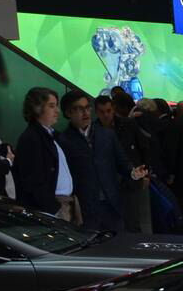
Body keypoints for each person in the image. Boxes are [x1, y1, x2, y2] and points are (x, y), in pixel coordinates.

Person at [56, 89, 146, 233]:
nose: (85, 113)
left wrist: (133, 173)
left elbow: (122, 162)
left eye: (87, 108)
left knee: (117, 240)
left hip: (112, 203)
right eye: (79, 109)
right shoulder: (63, 141)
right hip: (85, 208)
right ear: (68, 113)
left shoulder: (106, 134)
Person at [13, 86, 77, 220]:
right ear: (37, 108)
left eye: (56, 105)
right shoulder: (31, 138)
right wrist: (54, 209)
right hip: (49, 210)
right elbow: (33, 182)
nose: (57, 111)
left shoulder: (51, 136)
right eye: (51, 106)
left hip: (61, 205)